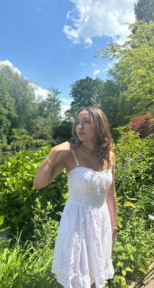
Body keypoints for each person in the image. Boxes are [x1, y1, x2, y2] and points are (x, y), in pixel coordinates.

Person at [33, 107, 117, 288]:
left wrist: (113, 226)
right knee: (78, 279)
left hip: (101, 222)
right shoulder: (69, 154)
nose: (80, 127)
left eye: (86, 122)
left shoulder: (109, 156)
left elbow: (111, 194)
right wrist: (53, 153)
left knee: (96, 276)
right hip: (77, 224)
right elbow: (38, 184)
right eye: (78, 122)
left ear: (99, 126)